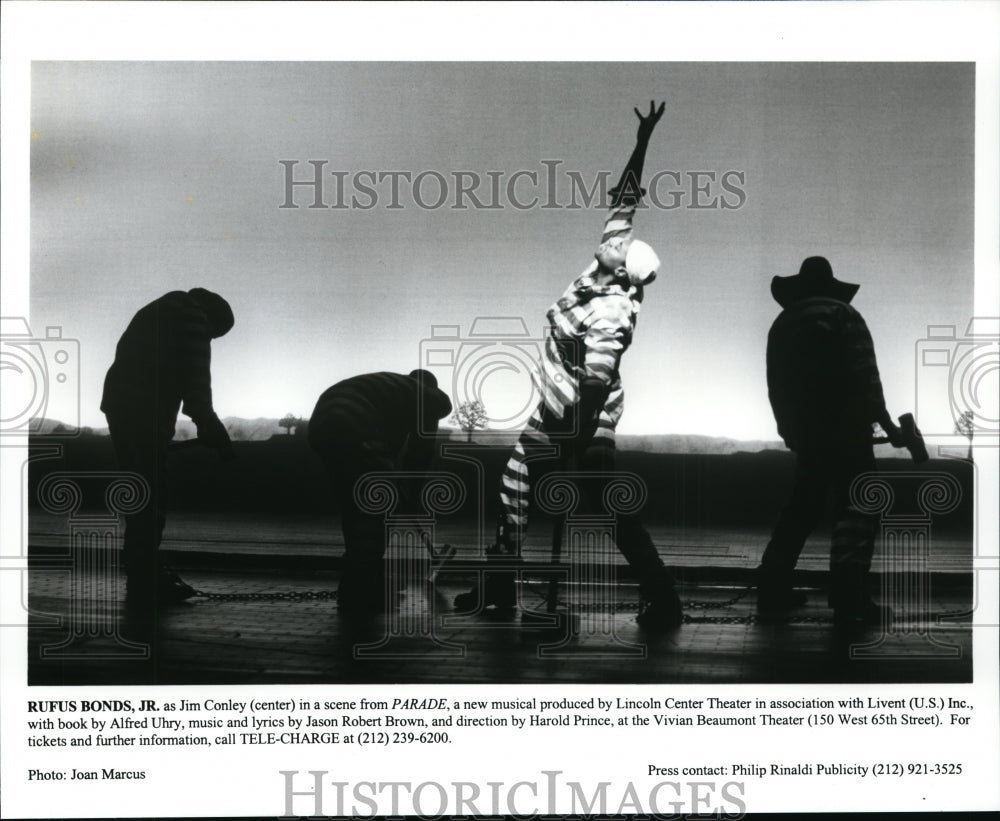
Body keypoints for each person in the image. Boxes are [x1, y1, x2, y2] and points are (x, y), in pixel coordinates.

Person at [454, 101, 683, 631]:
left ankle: (662, 596)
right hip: (557, 406)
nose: (613, 240)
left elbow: (597, 382)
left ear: (623, 272)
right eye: (617, 239)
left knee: (608, 504)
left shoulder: (612, 310)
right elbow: (626, 198)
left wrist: (573, 438)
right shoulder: (601, 267)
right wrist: (643, 140)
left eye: (619, 245)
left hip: (585, 415)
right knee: (514, 483)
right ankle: (499, 585)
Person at [758, 257, 907, 627]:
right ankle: (849, 595)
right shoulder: (844, 314)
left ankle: (772, 589)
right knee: (858, 507)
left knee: (802, 507)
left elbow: (776, 385)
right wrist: (887, 425)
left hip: (807, 432)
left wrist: (790, 431)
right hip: (848, 430)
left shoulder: (784, 322)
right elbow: (866, 375)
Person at [101, 288, 235, 609]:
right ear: (212, 319)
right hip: (144, 412)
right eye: (213, 336)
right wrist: (211, 425)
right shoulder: (192, 315)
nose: (208, 340)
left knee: (142, 491)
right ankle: (145, 577)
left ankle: (142, 571)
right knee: (151, 494)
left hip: (122, 406)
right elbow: (196, 377)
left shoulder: (163, 308)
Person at [308, 369, 452, 616]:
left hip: (323, 421)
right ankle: (363, 586)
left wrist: (398, 482)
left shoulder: (393, 392)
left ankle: (358, 581)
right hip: (356, 422)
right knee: (381, 507)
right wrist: (412, 494)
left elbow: (391, 451)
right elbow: (420, 452)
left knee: (355, 505)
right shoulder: (429, 397)